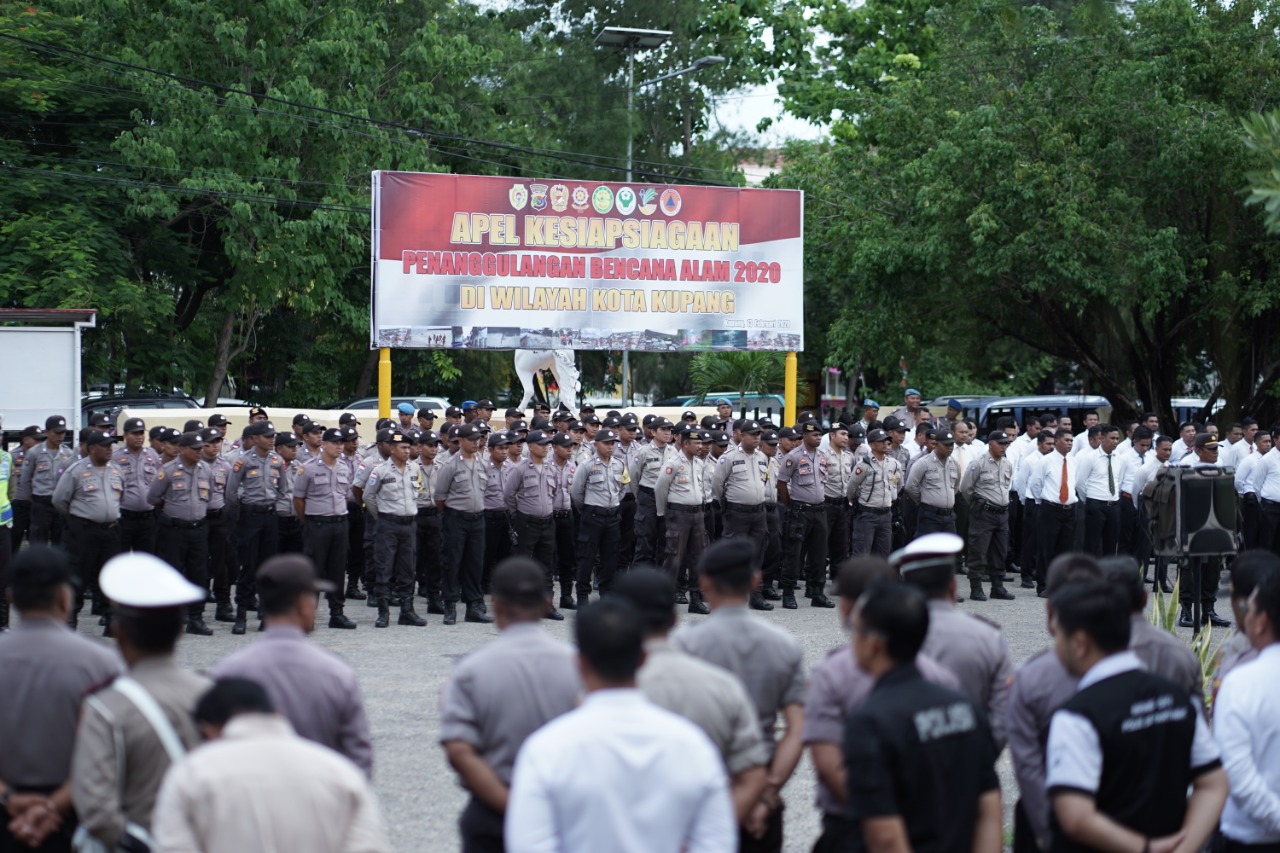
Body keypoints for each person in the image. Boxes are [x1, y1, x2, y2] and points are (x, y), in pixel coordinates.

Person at [505, 597, 735, 853]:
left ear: (579, 663)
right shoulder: (693, 744)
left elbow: (530, 845)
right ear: (644, 658)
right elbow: (717, 842)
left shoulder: (545, 749)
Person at [1045, 580, 1227, 853]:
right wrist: (1184, 847)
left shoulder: (1077, 716)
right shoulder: (1178, 699)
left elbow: (1075, 816)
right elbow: (1214, 784)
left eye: (1058, 636)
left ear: (1080, 643)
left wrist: (1146, 848)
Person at [803, 557, 960, 853]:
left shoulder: (830, 674)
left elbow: (828, 764)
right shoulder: (936, 673)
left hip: (852, 824)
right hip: (924, 820)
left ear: (848, 607)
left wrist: (878, 809)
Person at [843, 580, 1003, 853]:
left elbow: (886, 838)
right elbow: (989, 806)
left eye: (854, 629)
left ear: (873, 644)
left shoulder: (869, 722)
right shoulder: (965, 706)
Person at [70, 552, 211, 851]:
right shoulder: (211, 696)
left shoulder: (106, 708)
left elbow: (96, 809)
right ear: (179, 630)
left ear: (119, 634)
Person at [152, 678, 390, 853]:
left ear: (208, 729)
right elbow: (368, 846)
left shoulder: (191, 774)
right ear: (275, 713)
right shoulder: (339, 772)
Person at [440, 557, 581, 852]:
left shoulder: (470, 671)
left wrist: (512, 805)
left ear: (496, 605)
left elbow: (458, 750)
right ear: (545, 604)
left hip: (494, 814)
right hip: (562, 812)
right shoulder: (577, 666)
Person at [674, 538, 805, 852]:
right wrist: (767, 794)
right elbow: (798, 730)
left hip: (701, 795)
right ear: (755, 581)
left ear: (704, 583)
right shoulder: (784, 645)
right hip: (760, 790)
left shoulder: (685, 646)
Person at [613, 569, 769, 827]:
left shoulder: (595, 697)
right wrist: (707, 835)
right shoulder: (723, 686)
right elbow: (752, 774)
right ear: (674, 618)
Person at [0, 547, 123, 852]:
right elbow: (113, 749)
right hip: (75, 814)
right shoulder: (102, 663)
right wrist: (55, 805)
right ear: (64, 596)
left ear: (11, 597)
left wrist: (8, 797)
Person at [210, 554, 373, 775]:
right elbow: (359, 756)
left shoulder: (229, 672)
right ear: (303, 605)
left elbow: (213, 751)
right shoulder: (336, 674)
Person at [892, 532, 1012, 749]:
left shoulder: (883, 641)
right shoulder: (988, 637)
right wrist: (976, 762)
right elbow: (1002, 716)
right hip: (971, 761)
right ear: (953, 587)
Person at [1214, 568, 1280, 850]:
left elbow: (1238, 775)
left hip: (1251, 836)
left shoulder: (1241, 682)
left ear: (1262, 621)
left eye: (1248, 609)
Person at [51, 429, 124, 631]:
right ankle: (70, 620)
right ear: (92, 449)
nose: (110, 449)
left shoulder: (116, 470)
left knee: (111, 577)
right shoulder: (76, 470)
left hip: (110, 532)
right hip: (83, 532)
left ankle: (111, 620)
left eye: (111, 445)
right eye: (105, 445)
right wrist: (80, 517)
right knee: (77, 576)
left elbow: (120, 498)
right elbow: (59, 501)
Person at [147, 431, 214, 635]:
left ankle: (196, 618)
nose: (199, 452)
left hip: (198, 529)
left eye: (200, 449)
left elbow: (209, 495)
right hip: (174, 530)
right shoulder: (167, 471)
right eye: (194, 449)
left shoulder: (206, 470)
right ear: (182, 450)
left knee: (199, 574)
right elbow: (153, 498)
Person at [225, 420, 287, 633]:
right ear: (256, 439)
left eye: (273, 436)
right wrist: (246, 506)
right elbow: (231, 493)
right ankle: (241, 615)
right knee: (248, 566)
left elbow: (283, 489)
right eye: (267, 436)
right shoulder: (243, 461)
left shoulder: (277, 460)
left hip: (269, 515)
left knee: (268, 568)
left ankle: (266, 614)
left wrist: (270, 503)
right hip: (250, 517)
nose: (271, 440)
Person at [293, 428, 357, 630]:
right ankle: (307, 615)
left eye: (341, 443)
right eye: (335, 442)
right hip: (317, 524)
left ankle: (337, 613)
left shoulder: (344, 468)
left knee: (338, 571)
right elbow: (298, 499)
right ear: (324, 444)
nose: (339, 446)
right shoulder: (308, 468)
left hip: (339, 524)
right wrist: (311, 520)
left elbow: (345, 495)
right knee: (314, 571)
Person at [362, 430, 426, 628]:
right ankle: (383, 612)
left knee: (408, 569)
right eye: (403, 448)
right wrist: (381, 516)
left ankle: (407, 611)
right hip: (388, 525)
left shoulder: (415, 469)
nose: (407, 451)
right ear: (392, 449)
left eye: (409, 447)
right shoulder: (380, 471)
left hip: (409, 524)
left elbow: (419, 491)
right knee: (384, 568)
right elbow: (367, 496)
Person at [434, 422, 491, 625]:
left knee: (475, 564)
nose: (477, 443)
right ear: (461, 441)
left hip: (477, 519)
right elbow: (439, 497)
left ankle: (474, 606)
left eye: (478, 439)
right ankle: (449, 605)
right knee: (452, 562)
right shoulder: (450, 465)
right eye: (472, 439)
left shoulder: (482, 463)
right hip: (456, 518)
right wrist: (453, 513)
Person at [502, 430, 563, 620]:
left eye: (547, 444)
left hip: (547, 522)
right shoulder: (520, 469)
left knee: (547, 566)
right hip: (527, 522)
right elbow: (509, 495)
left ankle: (546, 605)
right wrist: (517, 516)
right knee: (523, 564)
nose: (545, 447)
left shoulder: (550, 468)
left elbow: (554, 493)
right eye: (541, 444)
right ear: (530, 446)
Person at [1174, 433, 1232, 627]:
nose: (1216, 453)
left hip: (1214, 524)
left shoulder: (1219, 465)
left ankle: (1208, 610)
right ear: (1198, 450)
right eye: (1211, 449)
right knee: (1189, 570)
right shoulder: (1185, 466)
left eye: (1217, 448)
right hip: (1191, 526)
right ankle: (1186, 611)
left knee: (1212, 570)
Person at [777, 421, 834, 609]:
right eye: (814, 435)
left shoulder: (823, 456)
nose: (818, 438)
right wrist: (790, 505)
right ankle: (788, 593)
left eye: (819, 435)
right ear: (805, 436)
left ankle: (817, 592)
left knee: (819, 554)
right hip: (799, 510)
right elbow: (782, 483)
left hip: (819, 510)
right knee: (794, 553)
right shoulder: (792, 457)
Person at [656, 427, 711, 614]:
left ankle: (695, 599)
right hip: (678, 514)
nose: (700, 446)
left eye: (701, 443)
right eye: (696, 443)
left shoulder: (699, 463)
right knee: (674, 557)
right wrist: (664, 512)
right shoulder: (673, 463)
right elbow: (660, 488)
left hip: (697, 514)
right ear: (686, 444)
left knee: (698, 557)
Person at [570, 428, 627, 606]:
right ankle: (582, 596)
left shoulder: (619, 464)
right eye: (607, 443)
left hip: (612, 516)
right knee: (587, 557)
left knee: (610, 558)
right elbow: (576, 492)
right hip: (593, 515)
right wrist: (587, 510)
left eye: (613, 444)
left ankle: (607, 595)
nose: (611, 447)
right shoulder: (587, 465)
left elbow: (624, 487)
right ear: (596, 444)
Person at [960, 430, 1017, 601]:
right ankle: (976, 587)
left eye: (1006, 443)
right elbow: (965, 489)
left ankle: (997, 587)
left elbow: (1006, 486)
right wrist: (979, 505)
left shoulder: (1007, 463)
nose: (1004, 446)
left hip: (1002, 513)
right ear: (991, 443)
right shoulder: (978, 463)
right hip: (984, 512)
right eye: (1001, 443)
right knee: (978, 550)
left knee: (1000, 551)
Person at [19, 416, 76, 546]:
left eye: (63, 432)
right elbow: (25, 479)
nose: (60, 436)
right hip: (41, 503)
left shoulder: (68, 453)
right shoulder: (34, 452)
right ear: (47, 432)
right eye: (57, 432)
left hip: (60, 505)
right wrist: (33, 499)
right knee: (38, 542)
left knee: (60, 542)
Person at [847, 428, 903, 559]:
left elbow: (899, 484)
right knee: (862, 553)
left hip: (886, 514)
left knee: (883, 554)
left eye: (887, 441)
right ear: (871, 445)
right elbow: (851, 489)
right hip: (867, 515)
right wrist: (860, 502)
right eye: (881, 441)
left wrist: (891, 497)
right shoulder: (864, 465)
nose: (885, 444)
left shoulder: (894, 464)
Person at [904, 429, 961, 537]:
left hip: (949, 515)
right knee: (929, 550)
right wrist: (923, 502)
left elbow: (956, 487)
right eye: (946, 445)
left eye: (951, 445)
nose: (949, 448)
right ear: (936, 444)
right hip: (929, 515)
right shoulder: (923, 463)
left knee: (949, 551)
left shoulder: (954, 464)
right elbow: (910, 487)